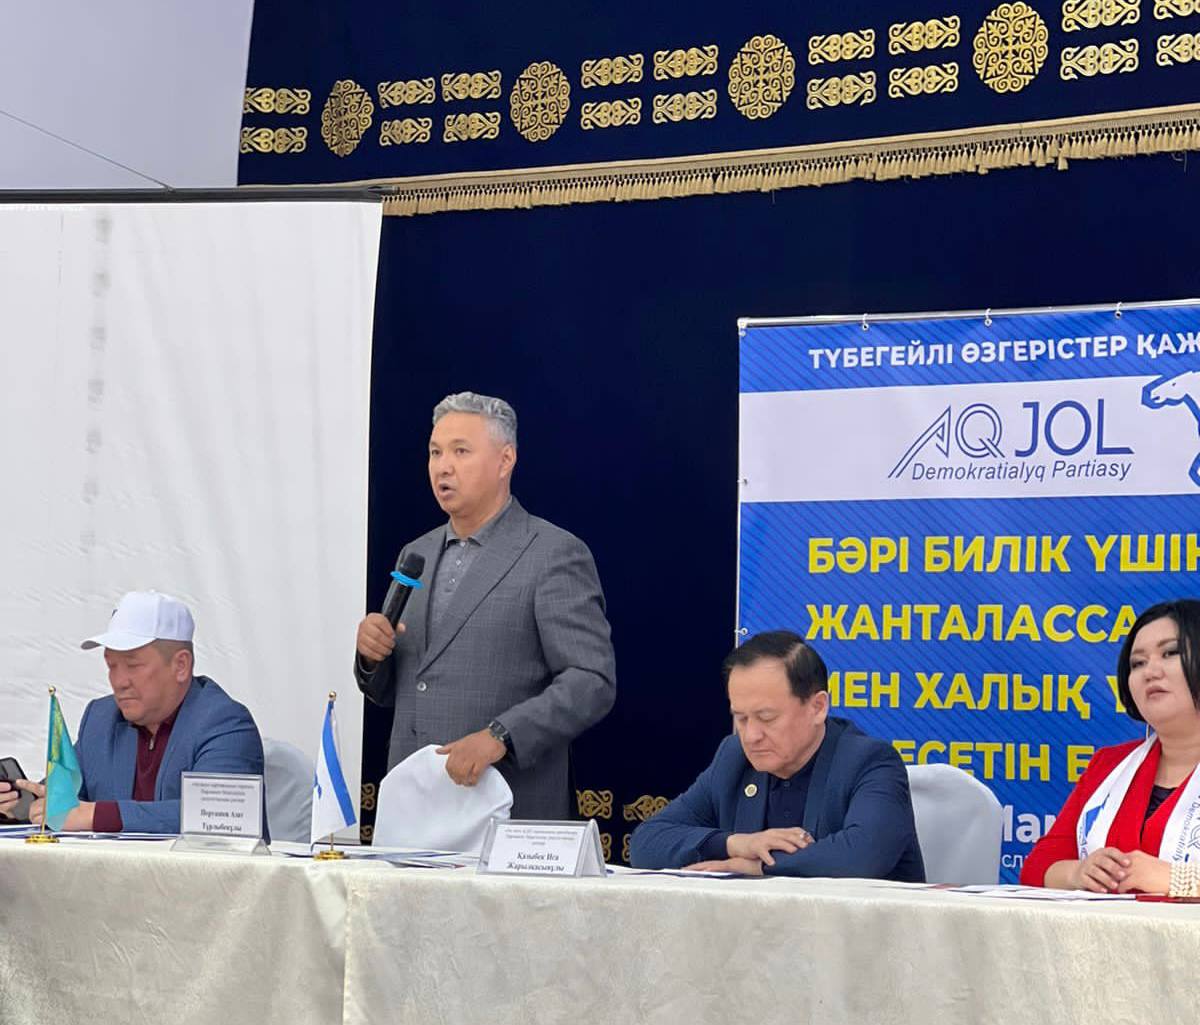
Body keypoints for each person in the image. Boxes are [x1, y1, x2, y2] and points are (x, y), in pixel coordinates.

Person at [354, 392, 616, 820]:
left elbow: (592, 681)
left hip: (505, 805)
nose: (443, 466)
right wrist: (371, 657)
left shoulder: (552, 553)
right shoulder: (415, 554)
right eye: (435, 452)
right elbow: (395, 689)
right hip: (415, 808)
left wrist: (501, 736)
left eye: (461, 451)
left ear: (505, 460)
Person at [629, 630, 925, 879]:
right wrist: (737, 844)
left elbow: (864, 854)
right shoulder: (733, 758)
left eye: (767, 718)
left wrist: (757, 867)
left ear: (818, 707)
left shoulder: (870, 762)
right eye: (741, 718)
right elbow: (646, 842)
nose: (751, 735)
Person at [0, 591, 265, 834]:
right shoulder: (100, 718)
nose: (119, 681)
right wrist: (19, 806)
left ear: (181, 666)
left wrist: (97, 816)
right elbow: (64, 803)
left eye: (133, 665)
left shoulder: (225, 724)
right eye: (112, 666)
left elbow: (219, 817)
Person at [1021, 598, 1200, 895]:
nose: (1150, 671)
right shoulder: (1109, 765)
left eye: (1170, 652)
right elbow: (1037, 867)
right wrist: (1078, 873)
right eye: (1137, 663)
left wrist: (1177, 879)